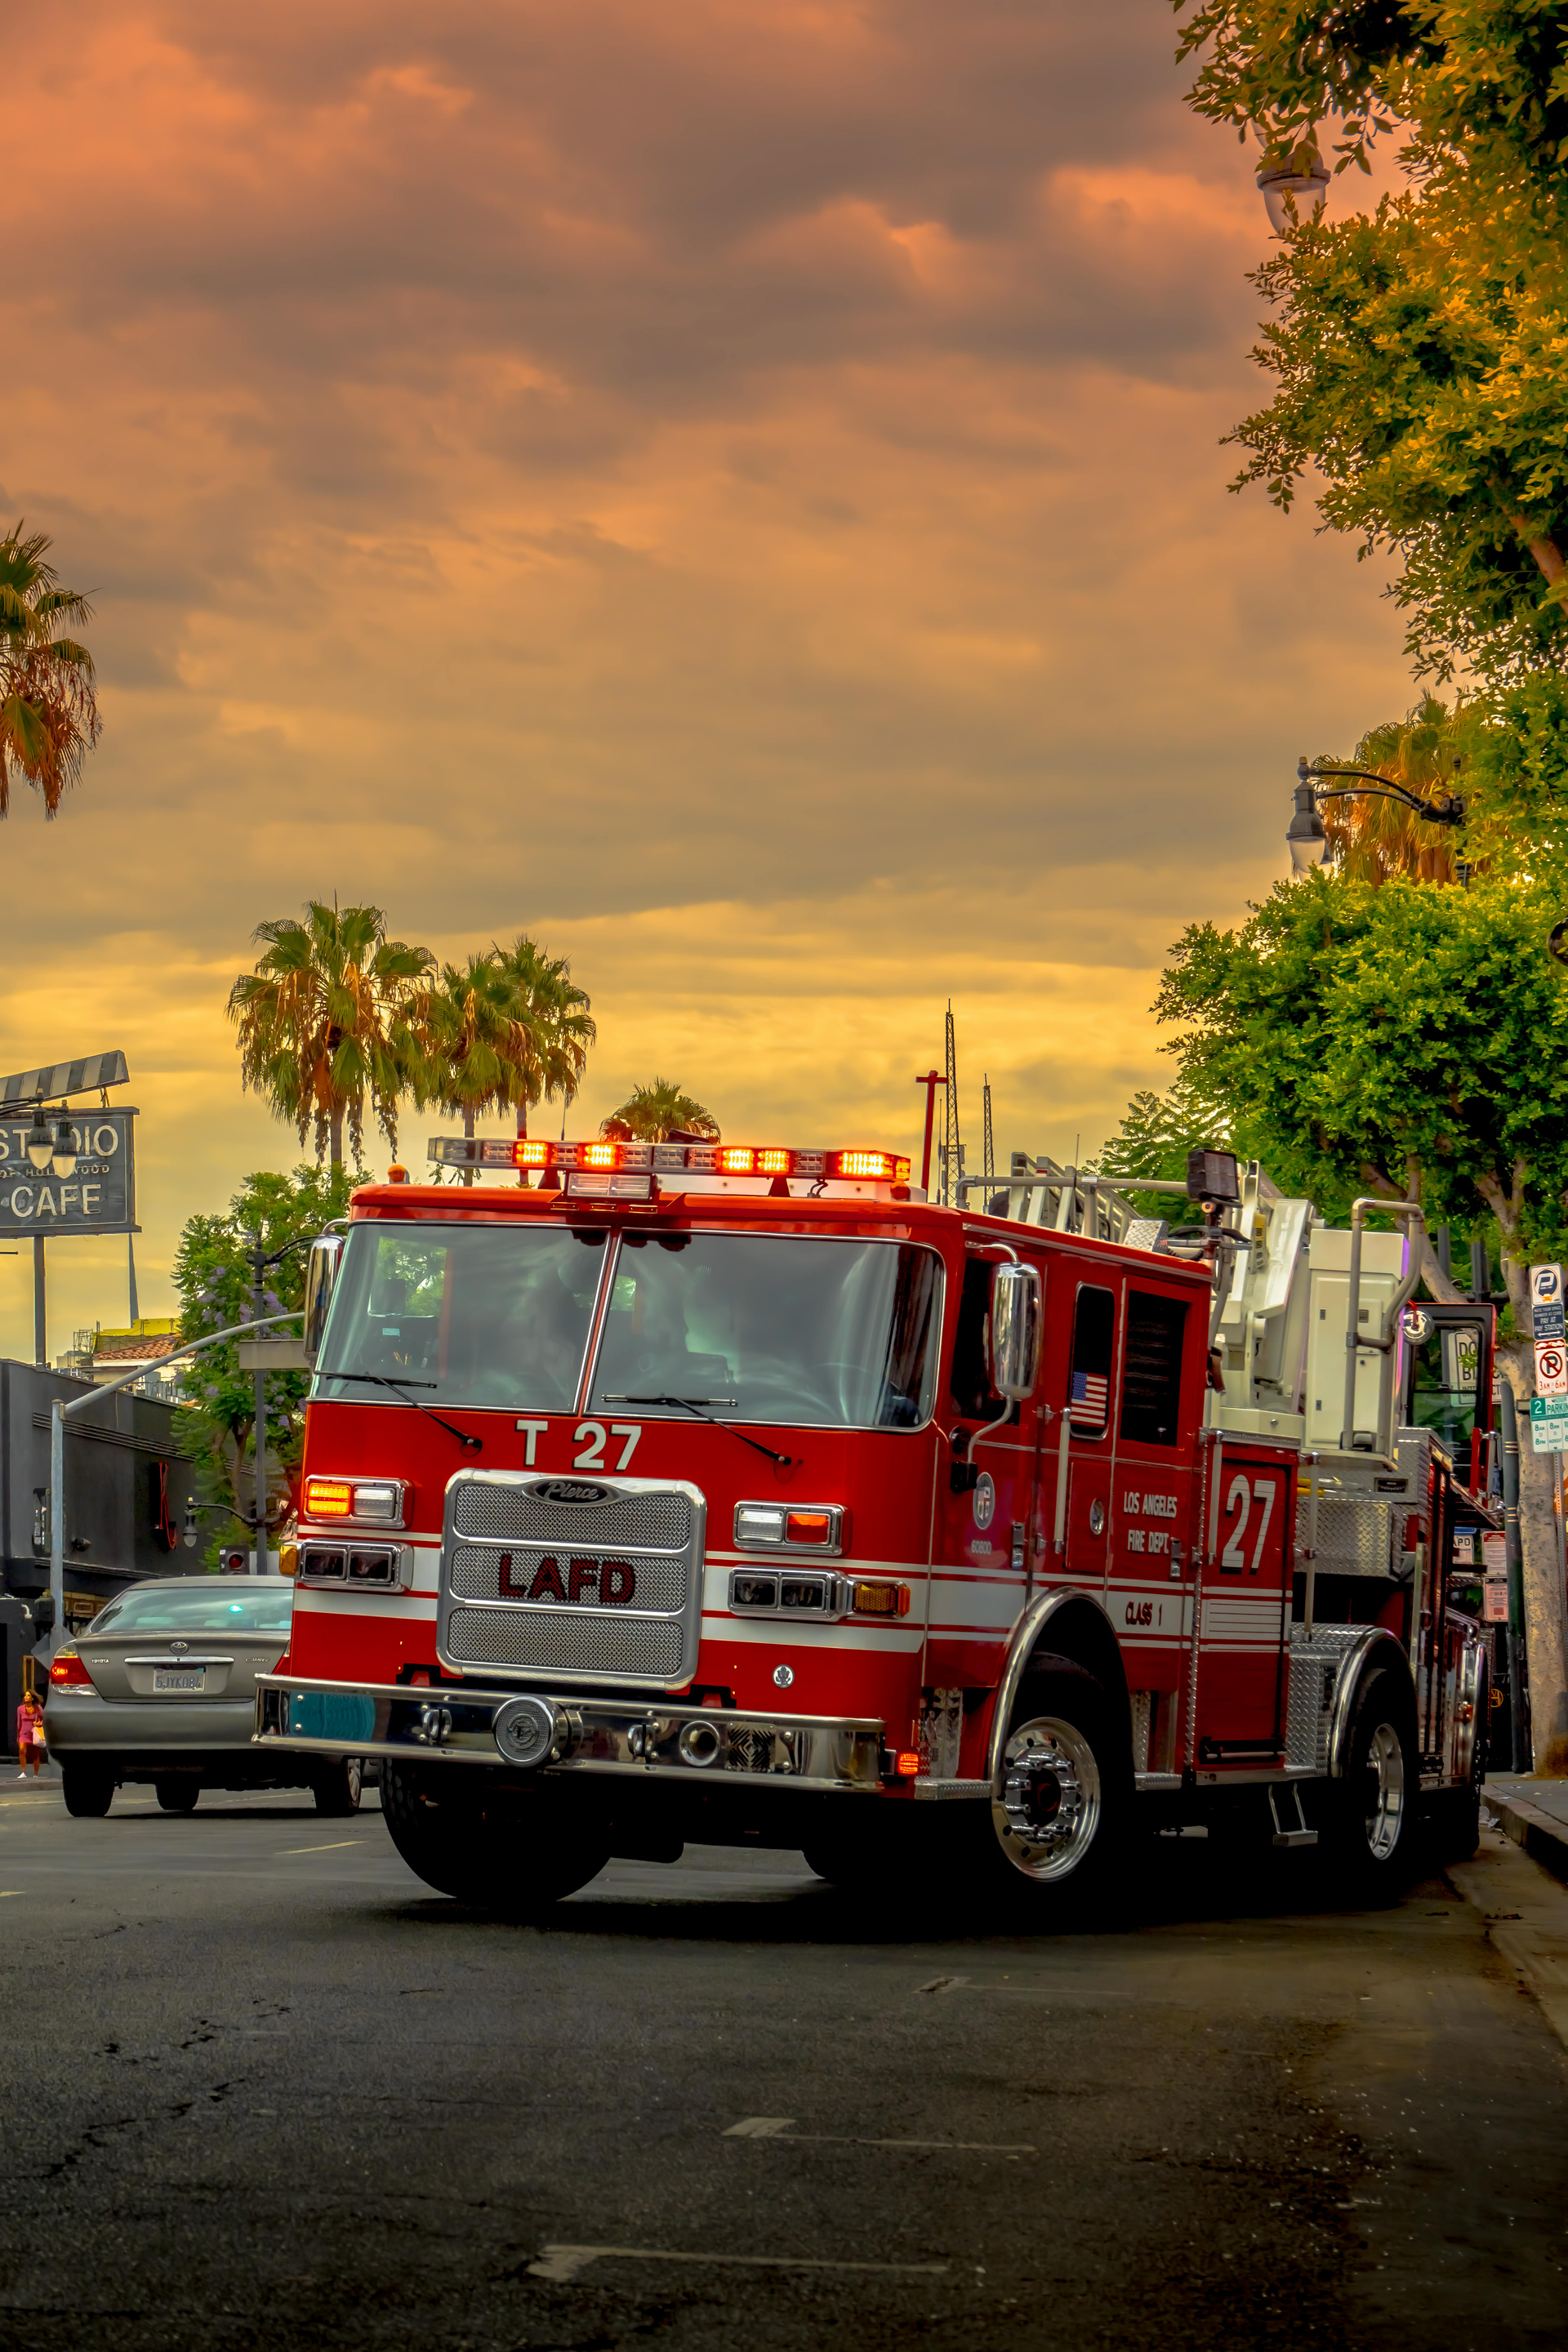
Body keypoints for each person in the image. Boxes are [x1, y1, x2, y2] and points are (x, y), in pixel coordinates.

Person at [16, 1690, 46, 1778]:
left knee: (36, 1754)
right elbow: (19, 1723)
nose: (26, 1697)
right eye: (25, 1695)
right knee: (21, 1750)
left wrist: (40, 1723)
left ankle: (35, 1774)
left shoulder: (37, 1708)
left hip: (34, 1734)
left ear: (32, 1698)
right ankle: (23, 1772)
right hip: (23, 1734)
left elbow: (44, 1718)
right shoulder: (20, 1709)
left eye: (28, 1695)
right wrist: (18, 1736)